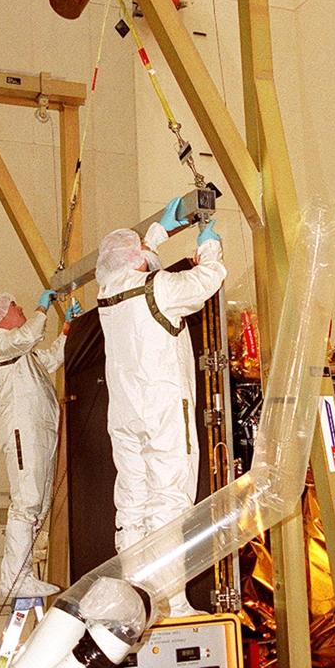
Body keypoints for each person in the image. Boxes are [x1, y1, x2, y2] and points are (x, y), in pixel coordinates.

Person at [96, 198, 226, 615]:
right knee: (170, 501)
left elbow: (135, 267)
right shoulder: (160, 289)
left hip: (126, 416)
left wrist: (156, 234)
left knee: (132, 504)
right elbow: (208, 279)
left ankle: (133, 596)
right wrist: (210, 245)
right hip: (165, 411)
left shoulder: (107, 294)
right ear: (135, 258)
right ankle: (169, 602)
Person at [0, 289, 82, 600]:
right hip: (22, 433)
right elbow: (24, 338)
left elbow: (49, 358)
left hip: (40, 433)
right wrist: (43, 310)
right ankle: (14, 578)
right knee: (26, 504)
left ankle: (23, 573)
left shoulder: (21, 354)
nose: (22, 307)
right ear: (2, 316)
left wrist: (67, 330)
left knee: (36, 506)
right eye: (15, 305)